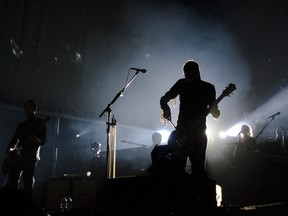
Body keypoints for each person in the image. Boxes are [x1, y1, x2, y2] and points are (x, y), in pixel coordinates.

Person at [160, 59, 220, 177]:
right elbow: (164, 99)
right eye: (187, 76)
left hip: (198, 134)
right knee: (176, 168)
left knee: (198, 169)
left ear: (198, 73)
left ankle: (199, 194)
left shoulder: (208, 88)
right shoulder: (181, 84)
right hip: (181, 133)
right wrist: (166, 109)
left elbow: (216, 113)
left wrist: (214, 111)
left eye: (192, 77)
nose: (189, 80)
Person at [1, 100, 47, 198]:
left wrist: (35, 140)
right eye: (26, 108)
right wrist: (9, 150)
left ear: (35, 110)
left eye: (30, 107)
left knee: (27, 181)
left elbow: (43, 141)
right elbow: (14, 140)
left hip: (30, 156)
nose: (27, 110)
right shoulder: (21, 125)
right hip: (18, 156)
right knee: (13, 180)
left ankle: (26, 204)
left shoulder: (40, 123)